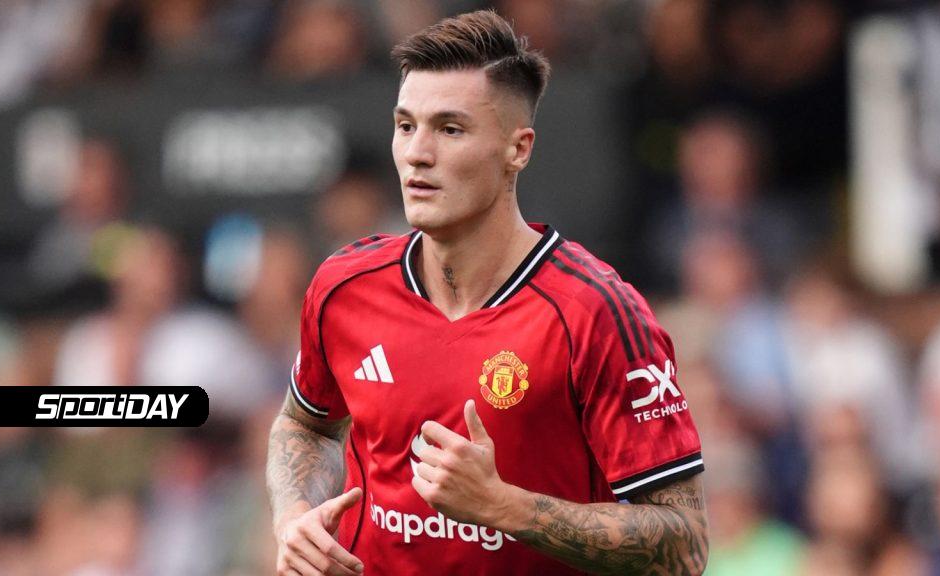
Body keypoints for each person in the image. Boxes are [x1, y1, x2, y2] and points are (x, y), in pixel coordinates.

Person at [266, 10, 707, 575]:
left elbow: (685, 545)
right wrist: (294, 515)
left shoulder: (596, 312)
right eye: (406, 126)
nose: (418, 153)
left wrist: (504, 506)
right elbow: (305, 424)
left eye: (450, 129)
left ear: (517, 149)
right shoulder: (345, 285)